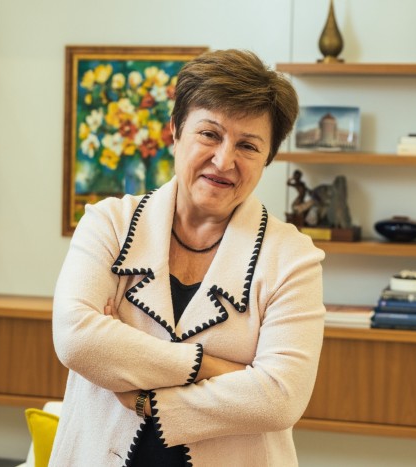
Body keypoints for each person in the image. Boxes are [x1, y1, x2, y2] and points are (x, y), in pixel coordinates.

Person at [50, 48, 326, 466]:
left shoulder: (292, 259)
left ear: (267, 159)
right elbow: (76, 339)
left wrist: (147, 400)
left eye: (248, 145)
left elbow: (280, 400)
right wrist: (211, 367)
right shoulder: (108, 223)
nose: (224, 159)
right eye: (210, 134)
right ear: (175, 131)